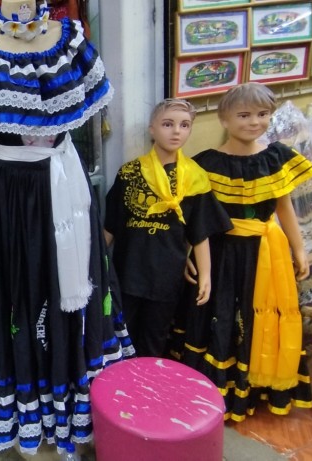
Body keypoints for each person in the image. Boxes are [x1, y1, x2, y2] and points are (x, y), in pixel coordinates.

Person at [0, 1, 132, 455]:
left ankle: (69, 406)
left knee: (68, 295)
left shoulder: (72, 43)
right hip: (3, 196)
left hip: (63, 190)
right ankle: (26, 402)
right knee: (9, 295)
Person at [180, 82, 312, 422]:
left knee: (261, 316)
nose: (254, 122)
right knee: (222, 312)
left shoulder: (276, 157)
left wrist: (299, 248)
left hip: (267, 253)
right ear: (224, 119)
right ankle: (216, 390)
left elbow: (284, 207)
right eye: (244, 115)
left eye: (262, 114)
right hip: (221, 253)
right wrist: (188, 254)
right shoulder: (205, 164)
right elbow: (194, 218)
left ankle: (256, 386)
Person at [103, 99, 231, 358]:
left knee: (155, 337)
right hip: (128, 270)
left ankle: (148, 389)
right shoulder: (129, 173)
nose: (176, 131)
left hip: (166, 274)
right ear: (152, 129)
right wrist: (95, 266)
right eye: (167, 124)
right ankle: (119, 390)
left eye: (184, 125)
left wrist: (205, 275)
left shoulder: (194, 178)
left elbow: (200, 231)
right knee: (119, 334)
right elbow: (111, 226)